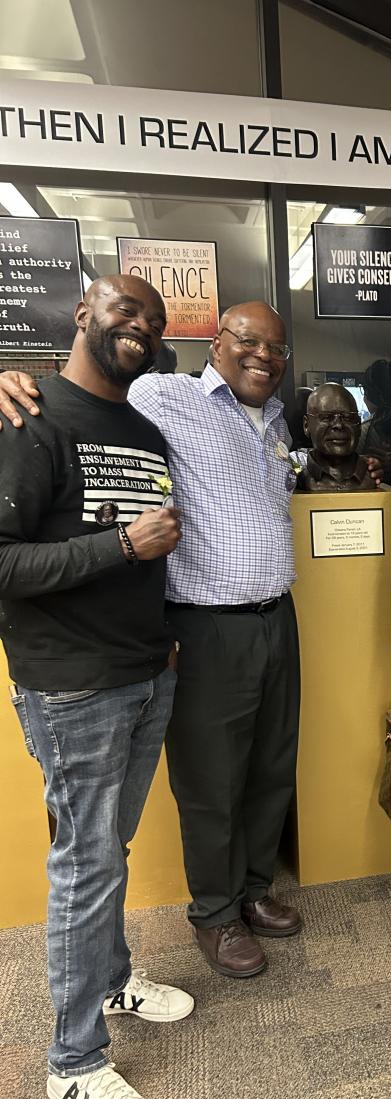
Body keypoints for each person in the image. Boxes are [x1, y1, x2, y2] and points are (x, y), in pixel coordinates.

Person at [0, 302, 303, 979]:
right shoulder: (164, 394)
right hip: (205, 625)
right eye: (248, 341)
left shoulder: (279, 419)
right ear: (217, 342)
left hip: (277, 619)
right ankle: (216, 914)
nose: (263, 356)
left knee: (271, 766)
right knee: (212, 779)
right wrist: (13, 379)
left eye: (276, 347)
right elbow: (90, 386)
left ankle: (255, 890)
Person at [0, 275, 192, 1099]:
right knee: (84, 864)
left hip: (146, 671)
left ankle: (112, 980)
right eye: (124, 311)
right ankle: (73, 1064)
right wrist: (121, 545)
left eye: (152, 321)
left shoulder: (144, 426)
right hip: (71, 683)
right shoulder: (28, 417)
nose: (139, 327)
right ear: (82, 314)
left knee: (105, 849)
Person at [297, 383, 379, 492]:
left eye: (348, 418)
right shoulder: (298, 478)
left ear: (359, 425)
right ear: (306, 425)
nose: (339, 425)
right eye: (327, 417)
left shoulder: (371, 475)